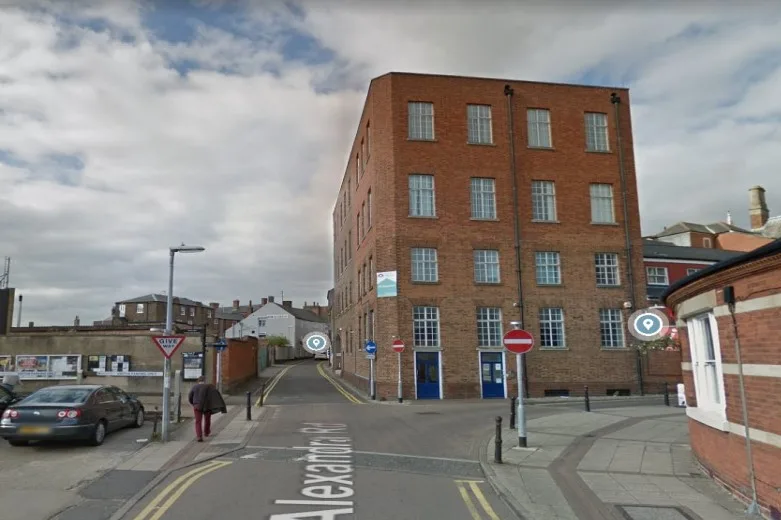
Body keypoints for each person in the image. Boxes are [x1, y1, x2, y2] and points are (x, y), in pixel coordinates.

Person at [187, 376, 227, 442]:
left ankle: (199, 436)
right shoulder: (209, 387)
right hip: (207, 406)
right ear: (204, 381)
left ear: (198, 381)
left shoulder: (195, 387)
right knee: (207, 419)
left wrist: (193, 403)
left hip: (197, 406)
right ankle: (206, 432)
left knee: (198, 421)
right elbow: (215, 394)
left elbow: (190, 397)